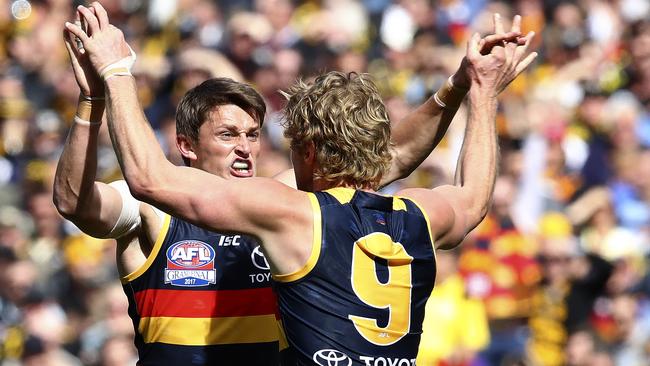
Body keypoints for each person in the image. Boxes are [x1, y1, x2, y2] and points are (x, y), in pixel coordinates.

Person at [56, 3, 526, 365]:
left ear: (304, 150)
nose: (245, 147)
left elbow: (392, 155)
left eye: (253, 135)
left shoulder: (289, 206)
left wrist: (116, 73)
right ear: (187, 145)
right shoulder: (168, 208)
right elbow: (78, 200)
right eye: (227, 134)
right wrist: (475, 92)